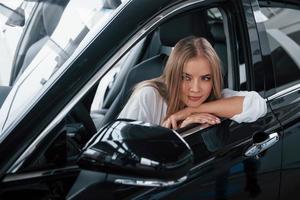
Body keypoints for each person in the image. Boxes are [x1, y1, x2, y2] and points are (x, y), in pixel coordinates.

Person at [118, 36, 267, 129]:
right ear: (174, 75)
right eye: (186, 77)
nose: (196, 89)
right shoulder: (149, 95)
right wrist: (177, 131)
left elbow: (258, 105)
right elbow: (122, 152)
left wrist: (191, 111)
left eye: (205, 78)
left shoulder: (216, 98)